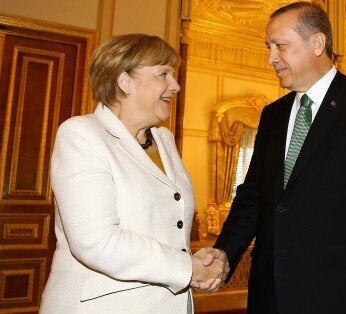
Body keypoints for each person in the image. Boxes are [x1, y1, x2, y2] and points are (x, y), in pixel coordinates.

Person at [212, 2, 346, 313]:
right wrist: (223, 252)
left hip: (340, 296)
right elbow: (254, 196)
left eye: (280, 46)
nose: (270, 58)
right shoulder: (272, 116)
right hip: (270, 295)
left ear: (317, 43)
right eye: (268, 47)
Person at [40, 34, 229, 313]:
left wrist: (200, 260)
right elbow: (95, 241)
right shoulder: (81, 134)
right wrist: (187, 269)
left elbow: (167, 230)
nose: (175, 86)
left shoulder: (163, 139)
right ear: (124, 81)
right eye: (163, 74)